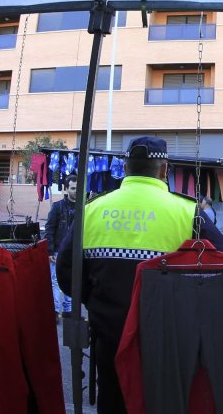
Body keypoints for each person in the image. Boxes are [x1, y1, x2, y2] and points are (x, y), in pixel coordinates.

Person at [55, 136, 197, 414]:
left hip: (108, 336)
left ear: (126, 168)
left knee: (112, 400)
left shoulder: (92, 210)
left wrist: (95, 301)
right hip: (167, 339)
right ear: (164, 170)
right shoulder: (188, 212)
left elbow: (65, 271)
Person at [44, 173, 78, 318]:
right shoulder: (57, 207)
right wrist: (50, 250)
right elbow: (49, 228)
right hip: (58, 250)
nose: (75, 191)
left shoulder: (85, 207)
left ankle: (68, 310)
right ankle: (55, 310)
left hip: (75, 251)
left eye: (77, 188)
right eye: (73, 188)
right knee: (56, 281)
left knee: (72, 280)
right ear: (66, 189)